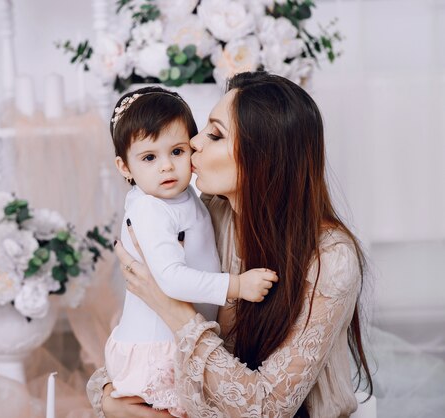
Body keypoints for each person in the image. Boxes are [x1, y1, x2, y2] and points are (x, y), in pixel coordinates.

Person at [87, 72, 373, 417]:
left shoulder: (330, 258)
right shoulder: (206, 212)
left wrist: (174, 310)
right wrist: (108, 397)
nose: (194, 142)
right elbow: (142, 341)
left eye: (216, 134)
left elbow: (268, 407)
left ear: (263, 157)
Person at [102, 86, 279, 416]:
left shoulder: (186, 196)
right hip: (156, 350)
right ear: (124, 167)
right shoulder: (150, 209)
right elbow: (169, 279)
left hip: (180, 340)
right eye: (149, 158)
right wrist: (237, 286)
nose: (166, 167)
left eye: (178, 152)